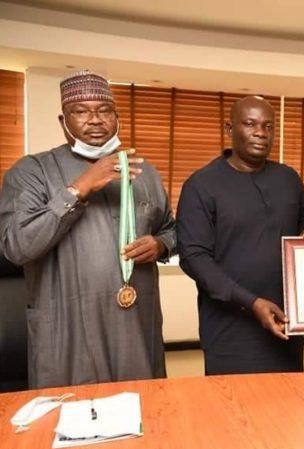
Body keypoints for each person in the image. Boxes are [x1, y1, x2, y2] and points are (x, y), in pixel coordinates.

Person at [0, 70, 175, 388]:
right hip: (68, 331)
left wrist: (161, 245)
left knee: (145, 413)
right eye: (80, 111)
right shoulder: (32, 171)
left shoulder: (143, 171)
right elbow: (17, 246)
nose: (95, 120)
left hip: (135, 329)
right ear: (62, 120)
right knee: (73, 421)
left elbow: (172, 230)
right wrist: (78, 189)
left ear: (117, 117)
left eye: (104, 110)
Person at [177, 96, 304, 375]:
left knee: (287, 406)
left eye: (268, 126)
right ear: (230, 129)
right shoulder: (201, 185)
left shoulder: (287, 177)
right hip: (230, 328)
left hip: (286, 321)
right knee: (236, 410)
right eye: (250, 124)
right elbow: (194, 258)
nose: (260, 133)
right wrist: (251, 302)